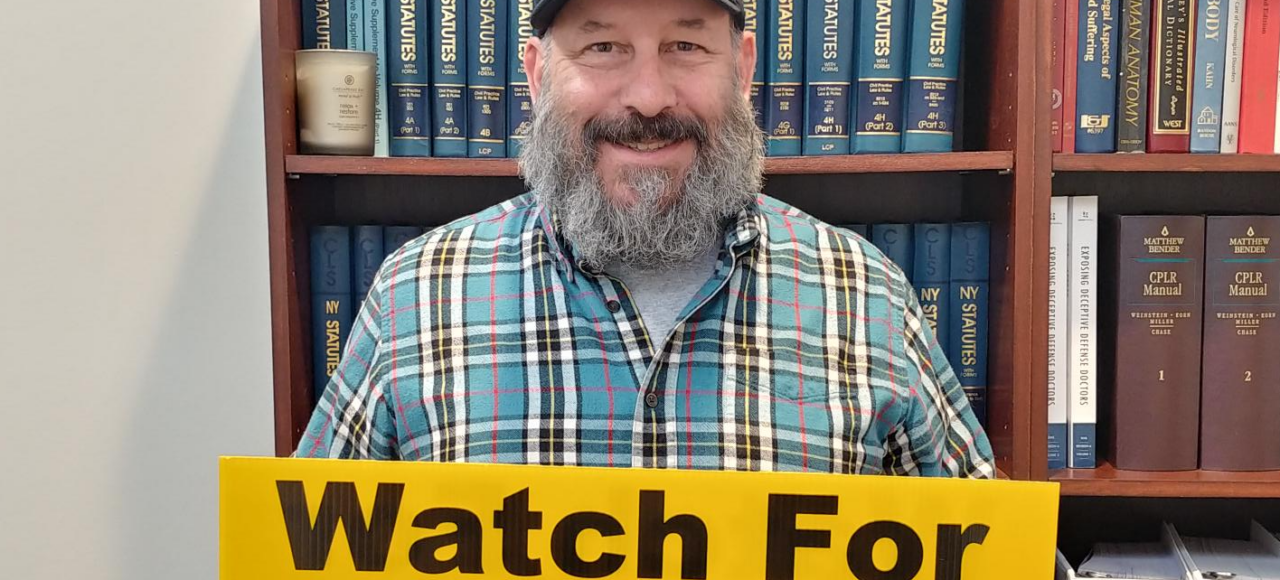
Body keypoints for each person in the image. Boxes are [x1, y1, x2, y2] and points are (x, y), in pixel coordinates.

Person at [295, 0, 994, 478]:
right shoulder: (415, 295)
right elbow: (305, 557)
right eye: (604, 47)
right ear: (538, 76)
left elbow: (994, 555)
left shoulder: (867, 295)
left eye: (685, 46)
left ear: (744, 70)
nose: (650, 97)